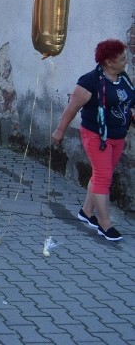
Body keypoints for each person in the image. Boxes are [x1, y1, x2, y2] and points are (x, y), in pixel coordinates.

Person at [52, 39, 134, 241]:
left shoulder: (123, 77)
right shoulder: (89, 82)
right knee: (103, 178)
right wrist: (59, 131)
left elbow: (130, 101)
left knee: (101, 176)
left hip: (118, 135)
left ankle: (86, 212)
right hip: (97, 136)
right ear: (108, 61)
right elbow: (72, 108)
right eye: (122, 59)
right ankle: (105, 225)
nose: (126, 61)